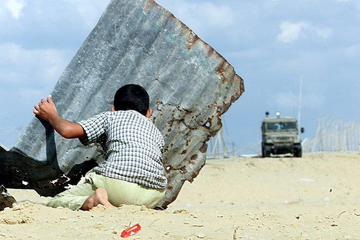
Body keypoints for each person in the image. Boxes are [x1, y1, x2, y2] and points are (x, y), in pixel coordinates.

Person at [33, 84, 167, 211]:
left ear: (113, 109)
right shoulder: (157, 133)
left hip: (118, 185)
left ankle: (94, 201)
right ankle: (150, 209)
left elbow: (67, 130)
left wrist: (52, 115)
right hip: (154, 195)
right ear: (149, 113)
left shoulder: (111, 117)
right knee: (129, 195)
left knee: (58, 201)